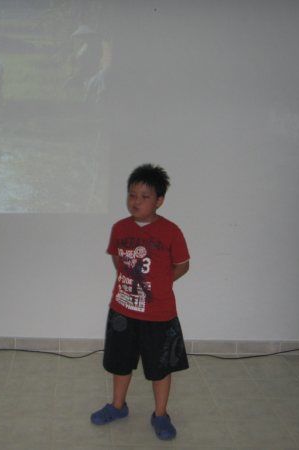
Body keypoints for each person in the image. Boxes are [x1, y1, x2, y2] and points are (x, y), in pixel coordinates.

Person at [90, 164, 190, 441]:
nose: (136, 201)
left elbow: (182, 265)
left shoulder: (171, 231)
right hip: (122, 310)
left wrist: (160, 283)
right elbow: (117, 258)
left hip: (159, 315)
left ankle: (160, 415)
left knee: (160, 367)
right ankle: (118, 406)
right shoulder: (119, 228)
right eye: (132, 194)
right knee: (120, 363)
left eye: (145, 196)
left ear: (159, 201)